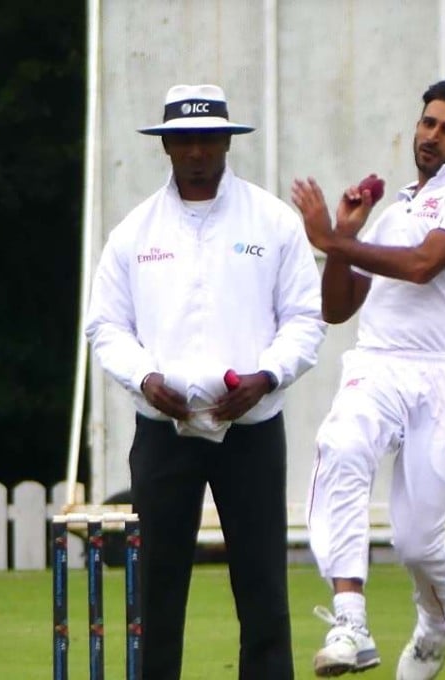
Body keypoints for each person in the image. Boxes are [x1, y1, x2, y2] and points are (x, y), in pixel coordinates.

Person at [85, 83, 326, 680]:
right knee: (157, 584)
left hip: (251, 425)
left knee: (262, 578)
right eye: (184, 141)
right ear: (166, 147)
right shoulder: (134, 232)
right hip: (163, 429)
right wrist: (145, 379)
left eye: (208, 139)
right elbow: (105, 326)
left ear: (226, 142)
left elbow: (305, 318)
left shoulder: (272, 222)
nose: (196, 152)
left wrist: (267, 376)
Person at [290, 80, 445, 680]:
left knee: (415, 541)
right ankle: (350, 621)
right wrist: (344, 241)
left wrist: (333, 238)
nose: (432, 135)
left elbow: (420, 267)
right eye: (427, 123)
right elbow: (337, 311)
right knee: (342, 447)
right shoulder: (391, 213)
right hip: (378, 361)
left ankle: (437, 622)